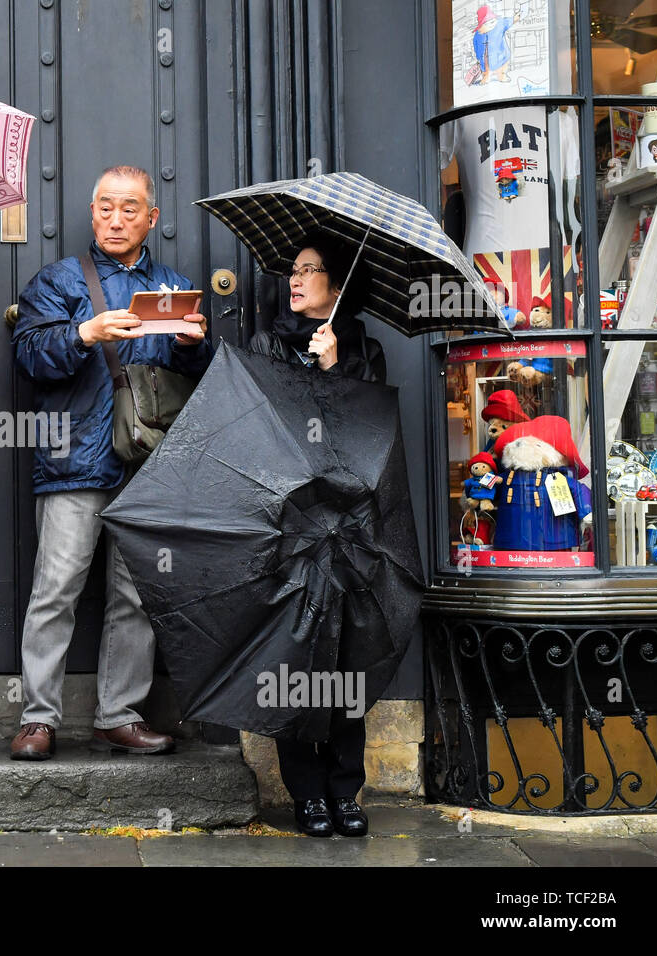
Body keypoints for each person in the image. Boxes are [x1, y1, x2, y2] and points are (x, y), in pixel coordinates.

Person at [9, 165, 213, 760]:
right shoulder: (59, 281)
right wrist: (83, 334)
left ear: (152, 218)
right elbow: (28, 358)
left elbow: (200, 385)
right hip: (75, 458)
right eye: (105, 207)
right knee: (56, 590)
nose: (116, 219)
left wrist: (194, 348)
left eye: (130, 209)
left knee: (136, 597)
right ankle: (38, 718)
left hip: (149, 462)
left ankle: (118, 715)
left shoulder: (174, 286)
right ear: (92, 212)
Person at [247, 233, 385, 837]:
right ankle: (306, 791)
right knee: (295, 655)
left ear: (337, 283)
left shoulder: (364, 349)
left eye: (309, 271)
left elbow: (370, 435)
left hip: (350, 526)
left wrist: (335, 369)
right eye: (293, 271)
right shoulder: (269, 342)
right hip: (291, 522)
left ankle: (344, 788)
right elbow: (264, 426)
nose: (295, 280)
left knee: (347, 657)